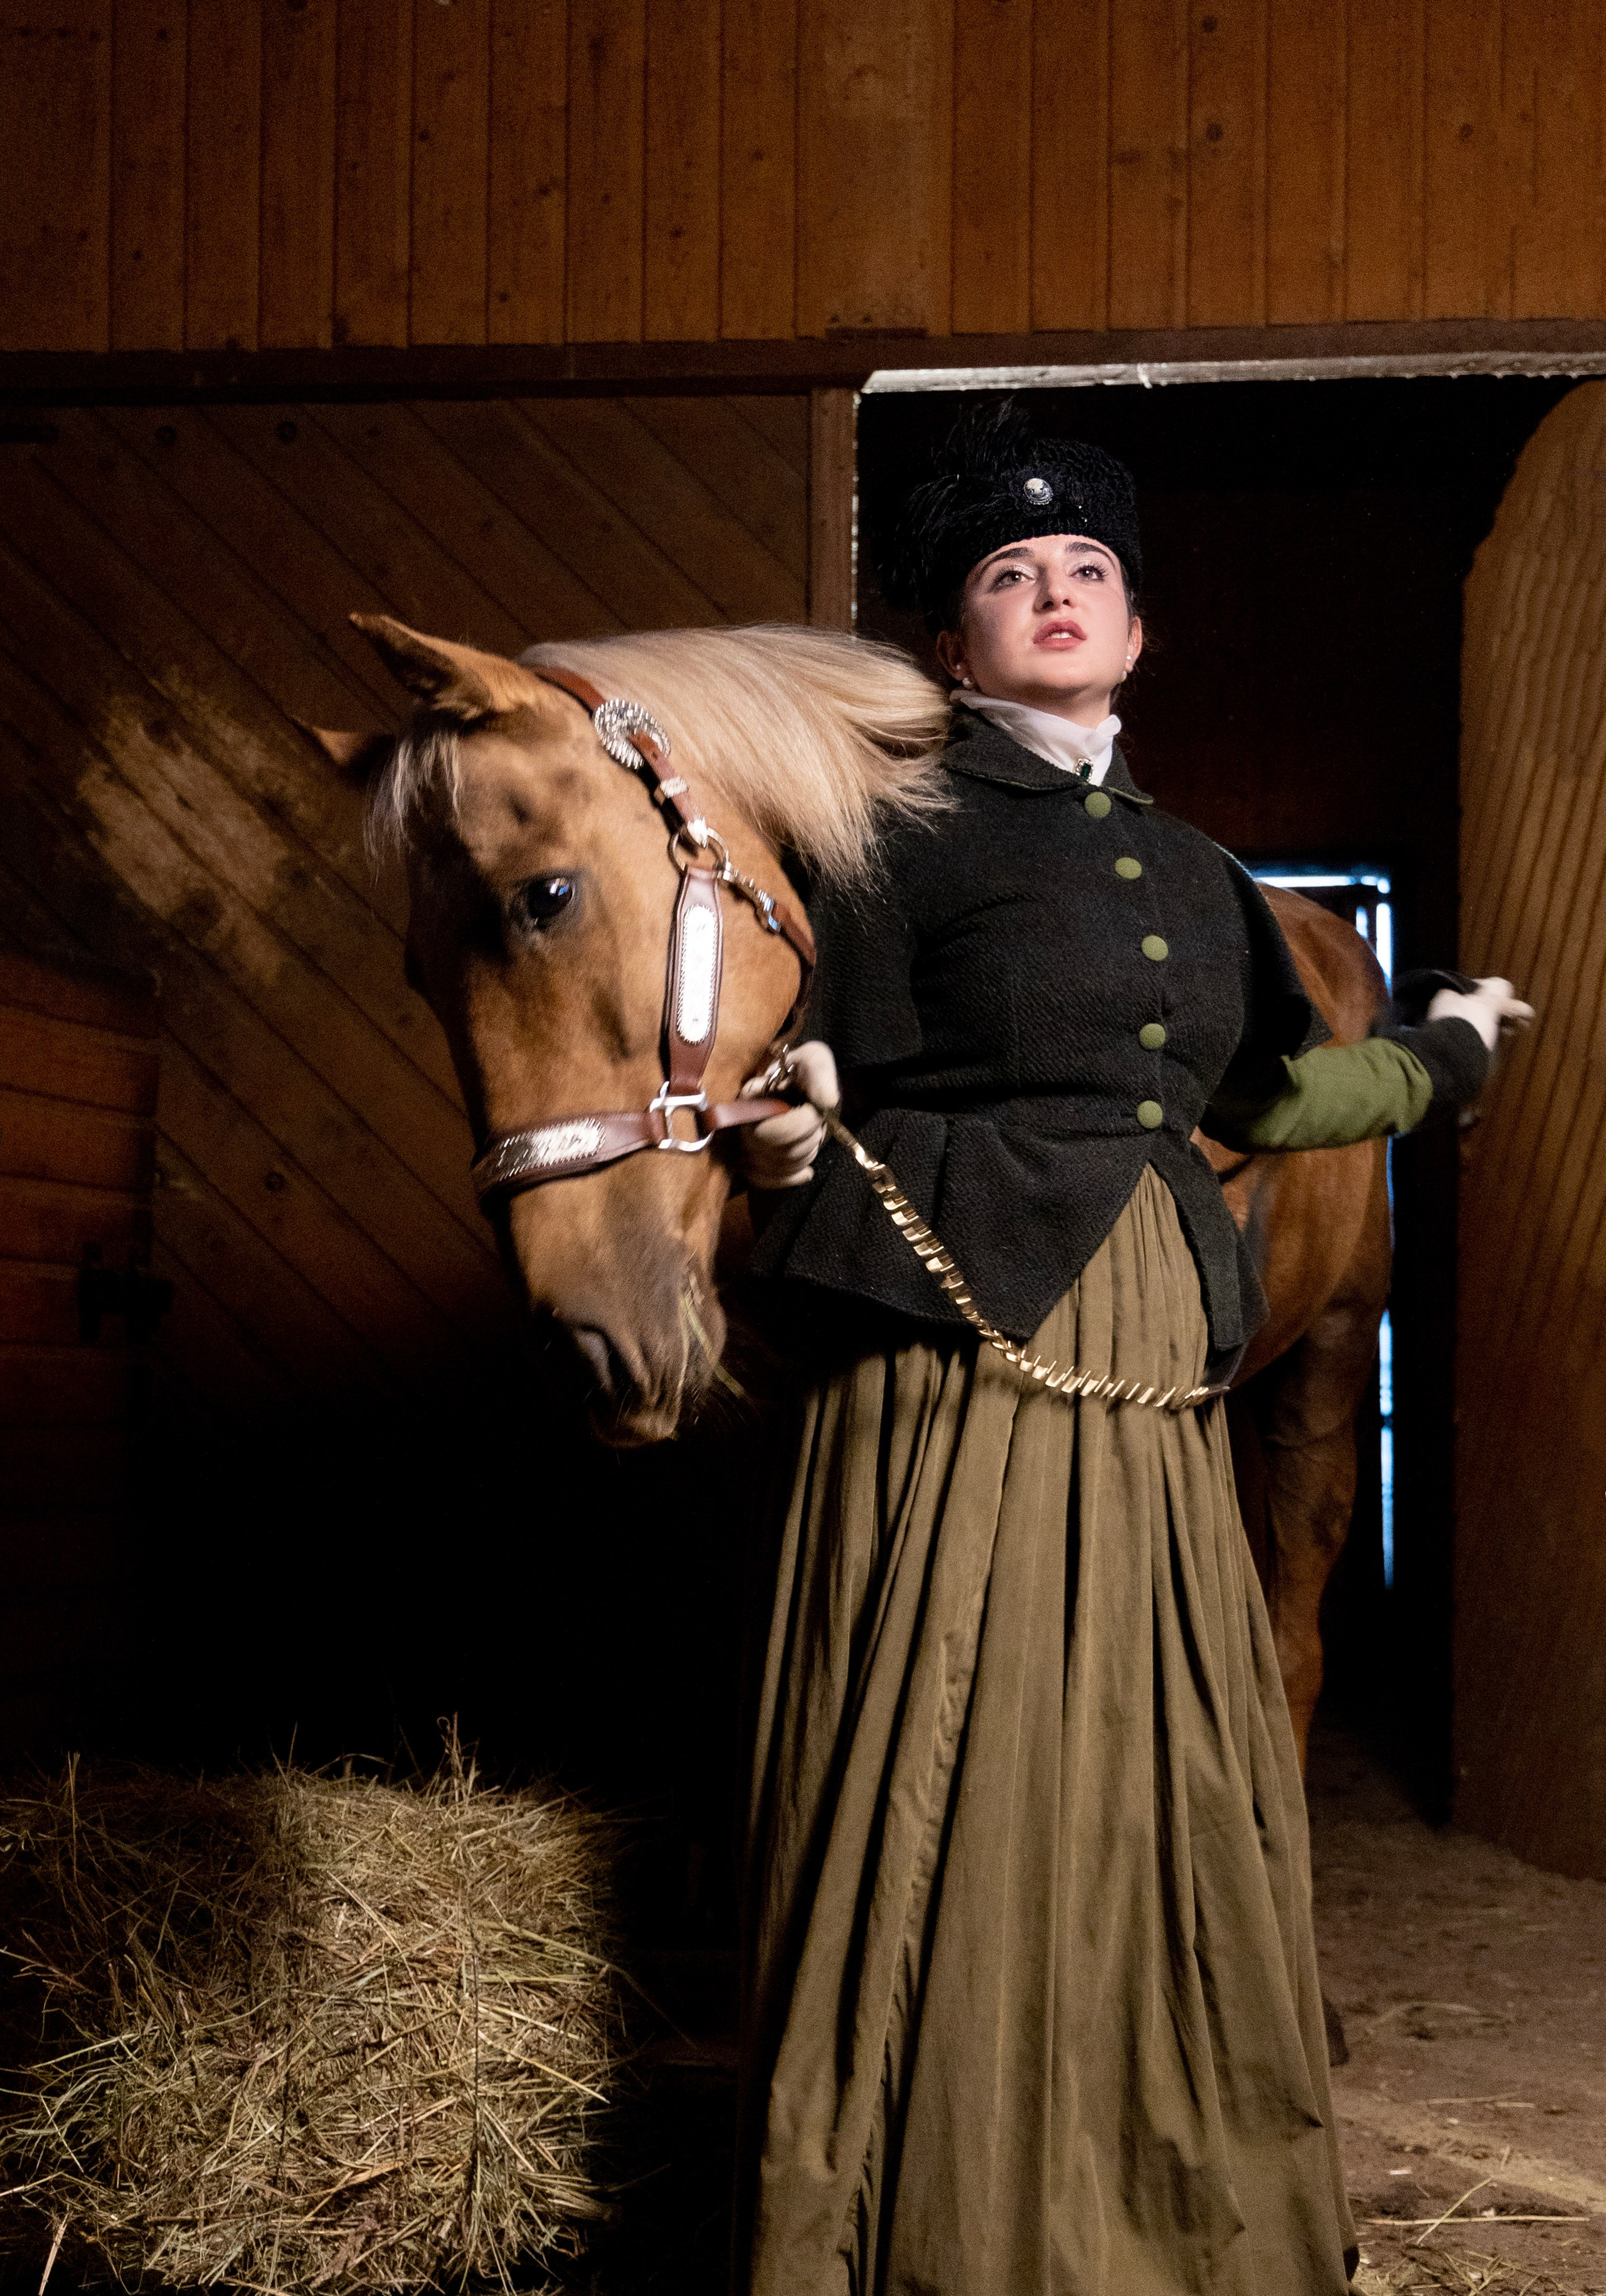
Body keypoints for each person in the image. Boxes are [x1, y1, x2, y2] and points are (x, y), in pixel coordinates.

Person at [731, 400, 1530, 2296]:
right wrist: (785, 1127)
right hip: (960, 1344)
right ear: (954, 642)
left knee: (1155, 1751)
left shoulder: (1192, 870)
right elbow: (806, 1059)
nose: (1055, 592)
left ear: (1139, 626)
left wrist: (1448, 1053)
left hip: (1155, 1343)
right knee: (961, 1743)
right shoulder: (886, 840)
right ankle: (933, 2195)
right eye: (1009, 575)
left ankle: (1154, 2161)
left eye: (1088, 568)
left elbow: (1276, 1098)